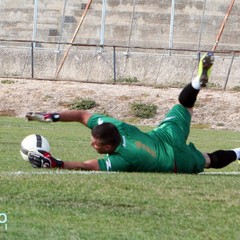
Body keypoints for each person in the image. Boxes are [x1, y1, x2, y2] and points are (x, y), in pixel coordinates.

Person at [26, 52, 240, 173]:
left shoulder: (125, 159)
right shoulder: (116, 127)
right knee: (185, 106)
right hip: (164, 135)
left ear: (109, 147)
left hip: (175, 160)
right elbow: (82, 115)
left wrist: (57, 163)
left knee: (209, 159)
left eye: (95, 144)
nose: (92, 144)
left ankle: (239, 152)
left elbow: (86, 165)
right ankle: (196, 83)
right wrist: (50, 116)